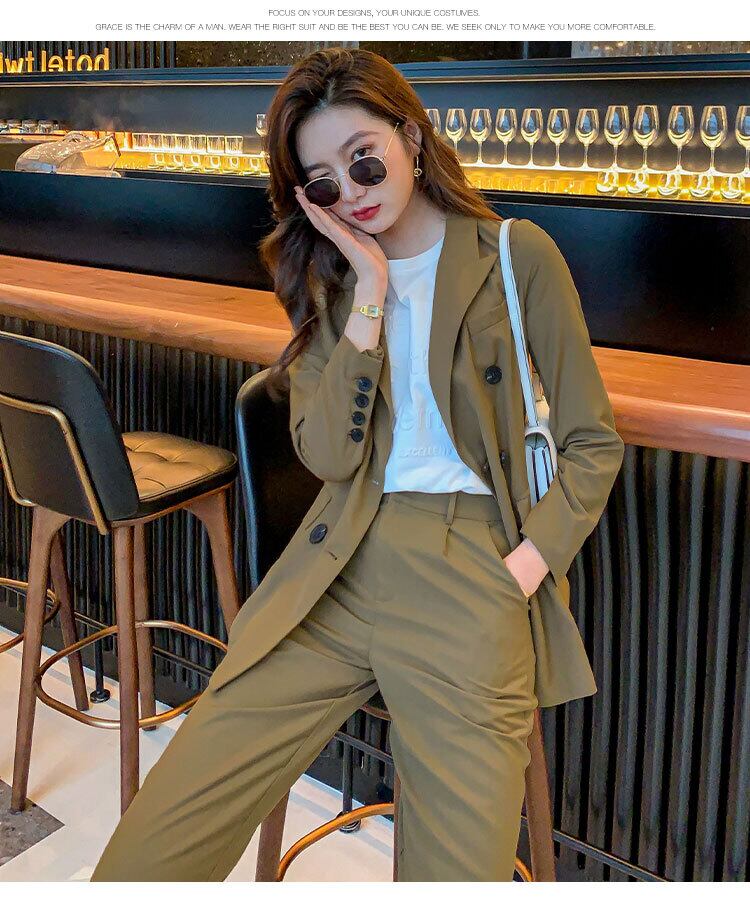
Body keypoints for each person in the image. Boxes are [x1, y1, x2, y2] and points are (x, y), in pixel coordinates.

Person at [91, 47, 624, 882]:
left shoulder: (516, 256)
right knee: (157, 842)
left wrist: (522, 567)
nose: (355, 189)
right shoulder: (334, 282)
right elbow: (329, 454)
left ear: (410, 136)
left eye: (364, 158)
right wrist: (369, 289)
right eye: (326, 182)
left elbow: (593, 441)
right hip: (337, 562)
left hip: (471, 574)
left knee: (454, 878)